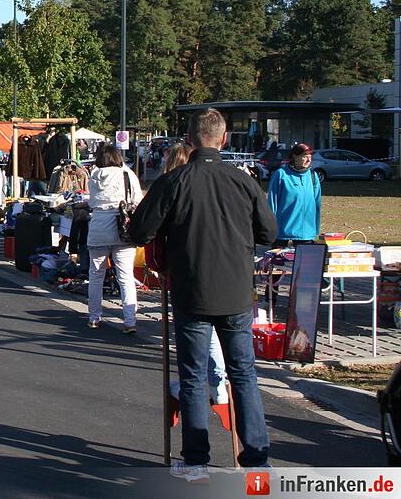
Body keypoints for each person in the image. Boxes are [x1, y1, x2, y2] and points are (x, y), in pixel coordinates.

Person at [129, 109, 277, 479]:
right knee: (242, 375)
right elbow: (269, 234)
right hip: (236, 292)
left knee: (194, 375)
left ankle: (196, 460)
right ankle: (257, 459)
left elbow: (139, 231)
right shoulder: (242, 182)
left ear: (191, 140)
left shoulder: (174, 181)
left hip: (192, 290)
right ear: (224, 139)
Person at [152, 142, 230, 406]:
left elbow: (152, 234)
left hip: (187, 271)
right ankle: (215, 381)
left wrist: (161, 265)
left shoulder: (172, 185)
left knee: (198, 333)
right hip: (221, 268)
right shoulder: (215, 184)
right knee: (213, 334)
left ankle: (206, 383)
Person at [86, 143, 144, 333]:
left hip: (98, 227)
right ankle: (130, 321)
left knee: (96, 276)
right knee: (126, 277)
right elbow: (137, 200)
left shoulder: (94, 176)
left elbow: (92, 201)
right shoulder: (127, 174)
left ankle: (94, 317)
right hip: (122, 228)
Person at [267, 142, 320, 246]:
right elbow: (272, 204)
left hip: (306, 233)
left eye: (310, 156)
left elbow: (317, 204)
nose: (309, 160)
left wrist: (315, 230)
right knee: (277, 262)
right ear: (295, 156)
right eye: (305, 156)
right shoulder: (281, 175)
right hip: (281, 232)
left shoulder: (313, 176)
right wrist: (271, 229)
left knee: (305, 262)